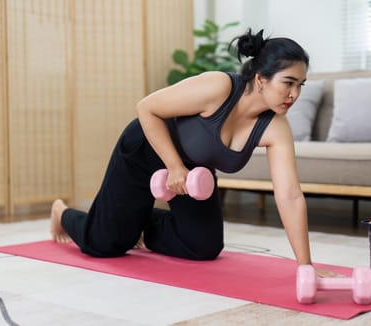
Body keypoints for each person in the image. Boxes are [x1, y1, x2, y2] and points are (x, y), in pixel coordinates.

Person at [50, 28, 319, 270]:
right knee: (104, 244)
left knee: (204, 246)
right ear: (261, 79)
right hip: (146, 148)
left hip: (190, 172)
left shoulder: (276, 127)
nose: (295, 94)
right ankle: (63, 213)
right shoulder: (218, 87)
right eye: (288, 82)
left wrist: (305, 265)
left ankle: (134, 222)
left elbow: (290, 196)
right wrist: (174, 166)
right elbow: (146, 108)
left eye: (300, 85)